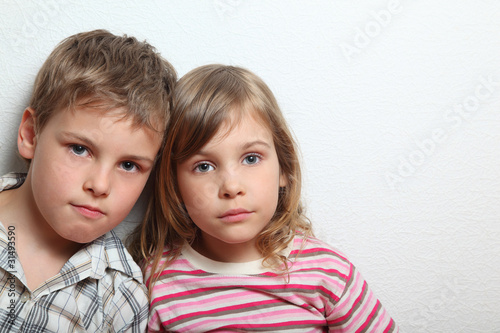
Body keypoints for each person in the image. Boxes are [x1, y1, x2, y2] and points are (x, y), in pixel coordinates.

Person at [129, 64, 399, 332]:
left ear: (284, 168)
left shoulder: (328, 273)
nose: (231, 187)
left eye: (251, 158)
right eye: (204, 166)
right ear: (174, 184)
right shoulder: (158, 278)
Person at [0, 29, 177, 332]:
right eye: (80, 149)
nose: (100, 185)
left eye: (129, 165)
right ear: (31, 134)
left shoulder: (123, 297)